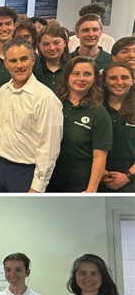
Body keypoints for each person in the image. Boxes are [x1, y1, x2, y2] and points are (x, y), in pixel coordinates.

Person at [0, 37, 63, 193]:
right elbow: (0, 131)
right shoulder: (3, 90)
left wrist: (37, 188)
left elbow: (49, 149)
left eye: (24, 59)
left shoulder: (45, 99)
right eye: (13, 61)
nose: (19, 65)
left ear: (32, 60)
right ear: (5, 63)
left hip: (25, 173)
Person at [47, 57, 112, 193]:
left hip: (79, 178)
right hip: (50, 173)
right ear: (67, 77)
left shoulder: (99, 113)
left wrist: (91, 190)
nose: (81, 79)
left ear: (94, 78)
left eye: (87, 74)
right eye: (76, 73)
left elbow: (100, 157)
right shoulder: (54, 103)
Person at [0, 6, 44, 90]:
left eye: (8, 24)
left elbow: (39, 88)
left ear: (14, 26)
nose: (4, 28)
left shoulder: (29, 55)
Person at [100, 61, 135, 192]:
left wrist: (127, 176)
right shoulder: (95, 108)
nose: (119, 82)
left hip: (131, 176)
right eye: (113, 78)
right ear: (104, 81)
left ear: (132, 80)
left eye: (124, 77)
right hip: (98, 174)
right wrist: (99, 170)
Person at [38, 24, 71, 92]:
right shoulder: (34, 68)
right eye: (46, 44)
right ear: (39, 46)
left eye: (56, 43)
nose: (52, 48)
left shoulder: (72, 66)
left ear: (65, 43)